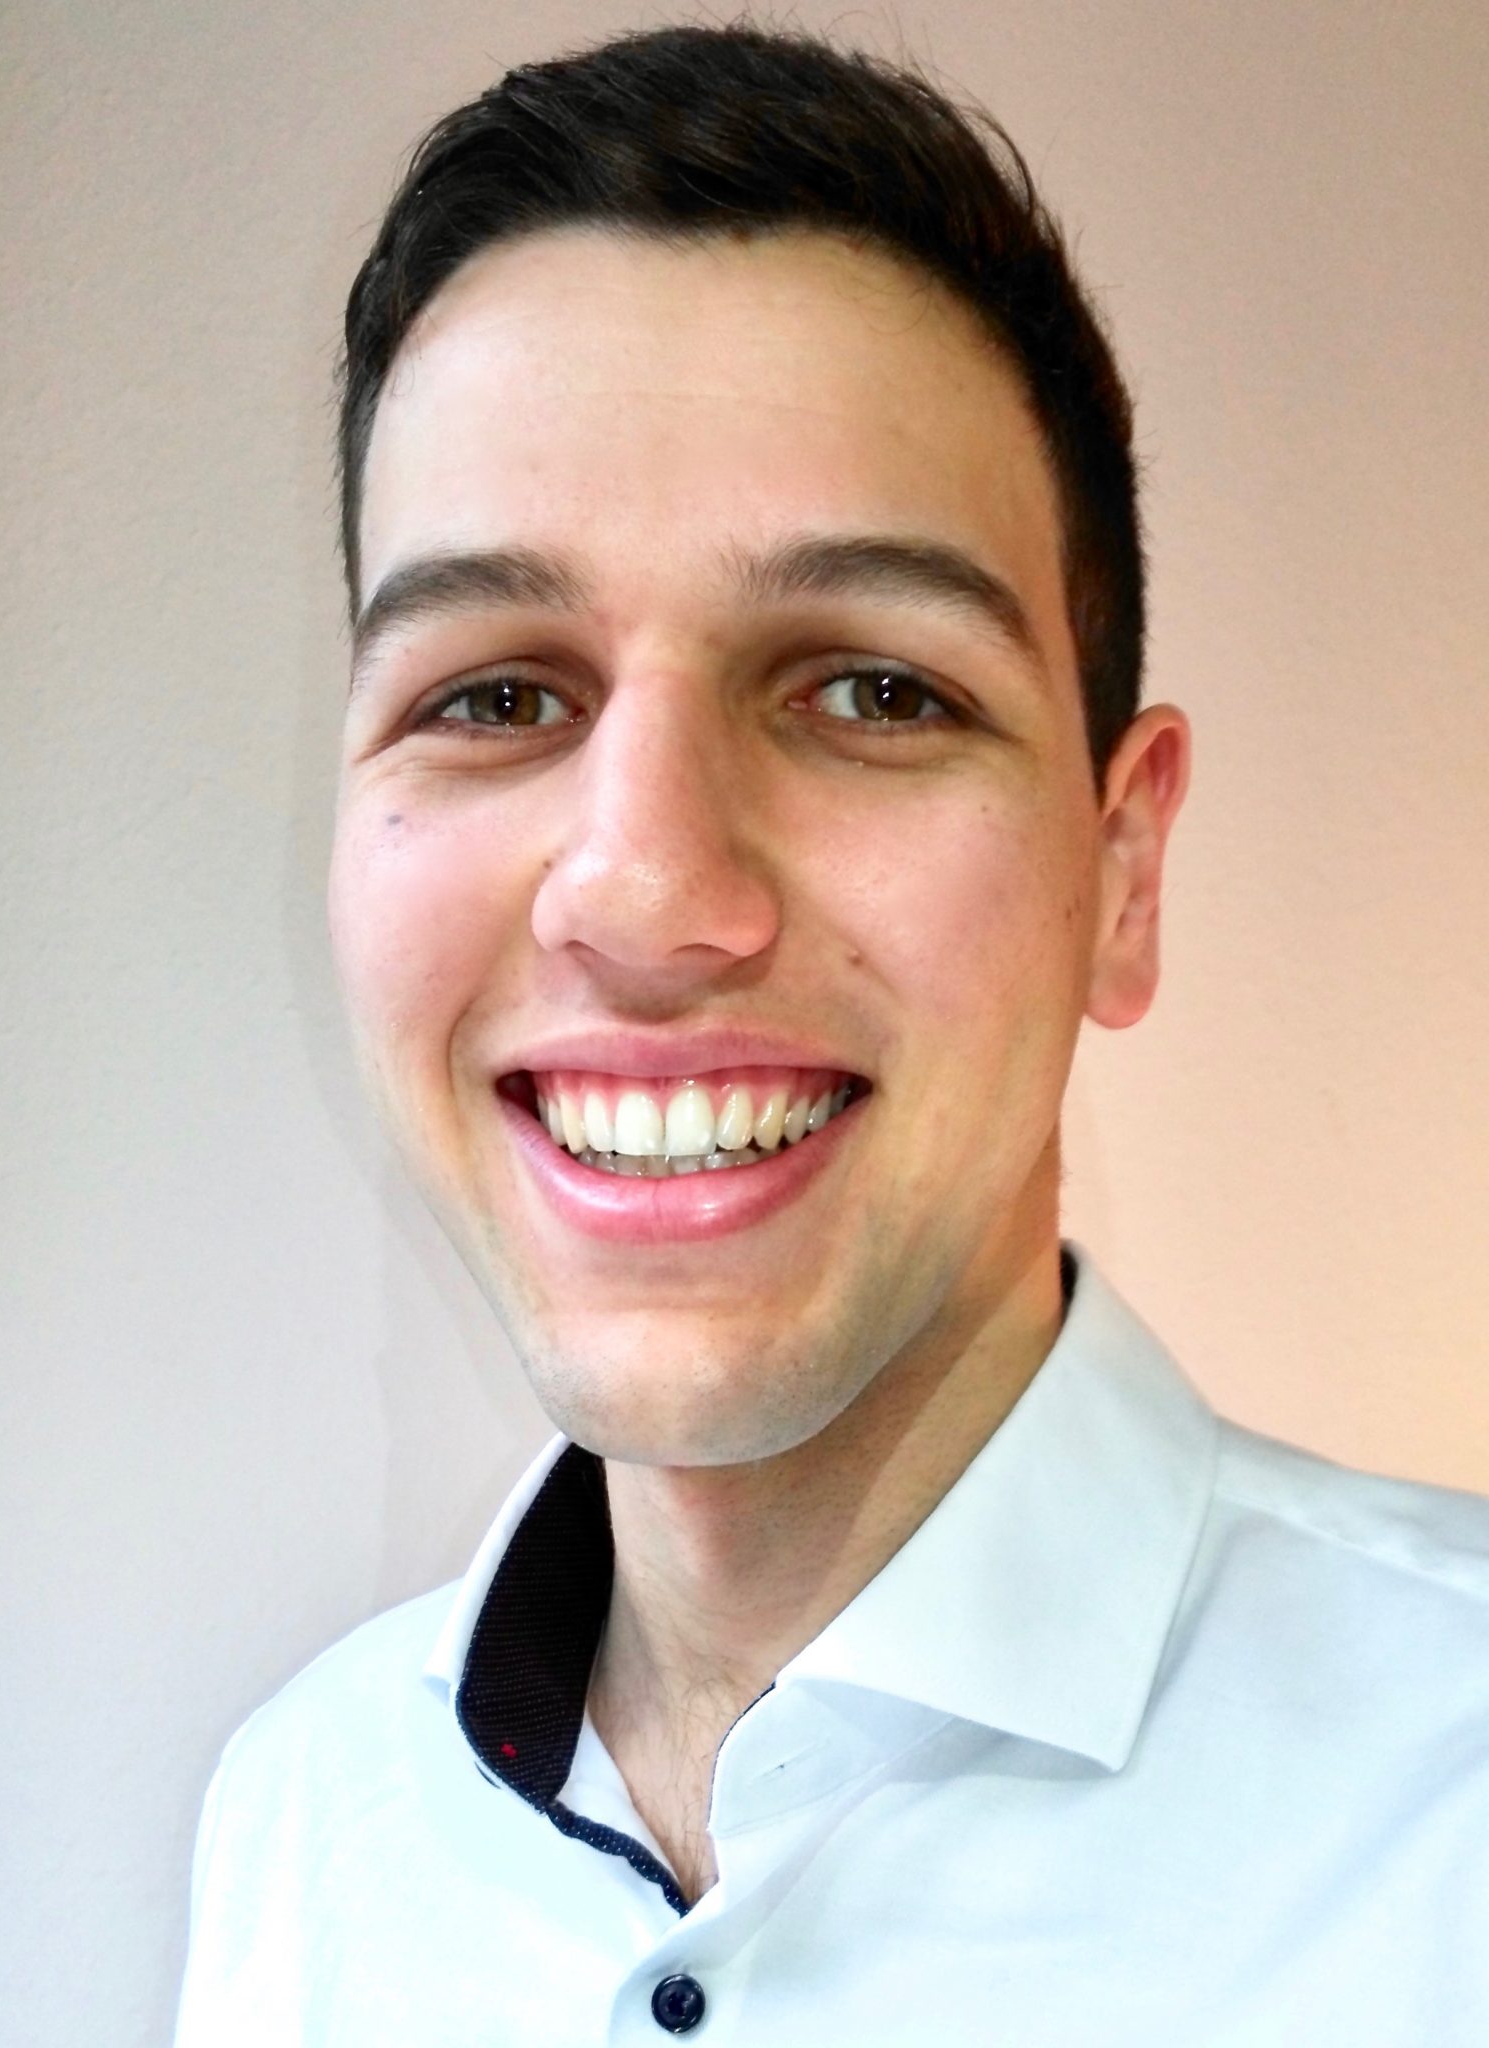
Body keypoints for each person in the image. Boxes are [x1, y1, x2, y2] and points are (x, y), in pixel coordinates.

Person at [174, 21, 1489, 2044]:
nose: (645, 889)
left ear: (1122, 867)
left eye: (874, 690)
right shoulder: (298, 1828)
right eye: (498, 696)